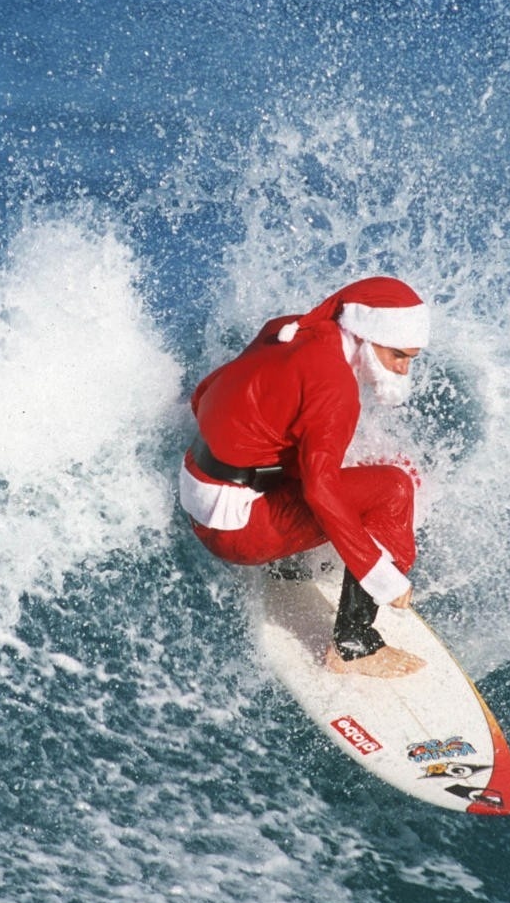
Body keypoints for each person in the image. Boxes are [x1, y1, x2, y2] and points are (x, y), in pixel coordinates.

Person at [179, 276, 430, 678]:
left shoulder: (288, 329)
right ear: (367, 335)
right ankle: (354, 645)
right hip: (235, 532)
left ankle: (289, 562)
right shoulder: (335, 389)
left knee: (320, 460)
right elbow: (320, 489)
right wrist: (380, 575)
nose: (403, 370)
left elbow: (204, 393)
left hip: (197, 486)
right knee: (394, 488)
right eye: (398, 355)